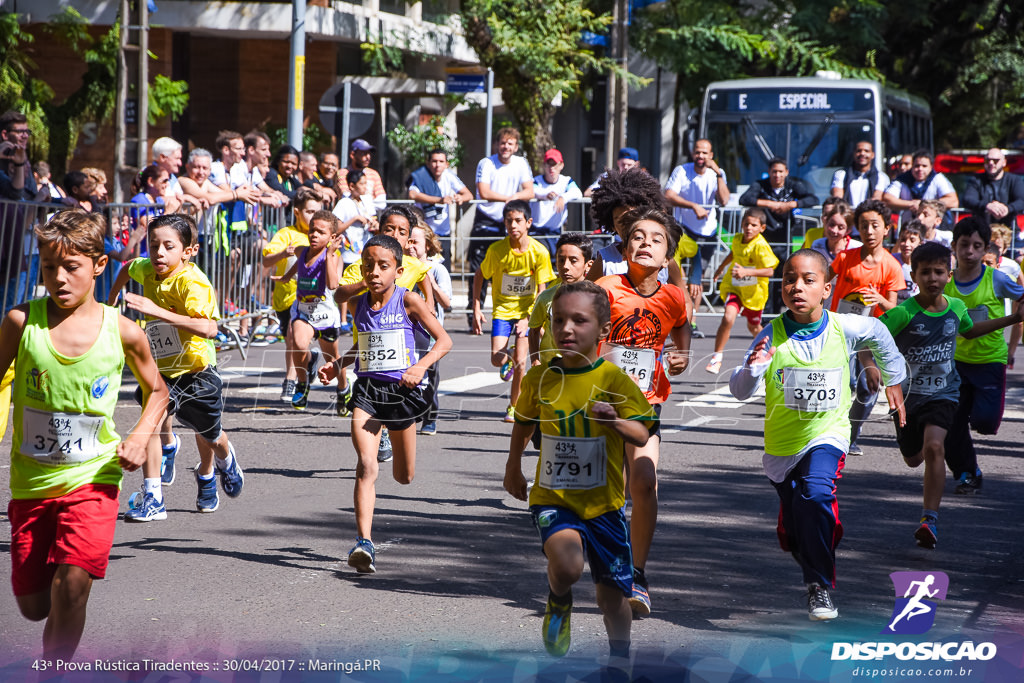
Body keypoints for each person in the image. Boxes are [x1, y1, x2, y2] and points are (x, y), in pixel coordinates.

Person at [0, 209, 169, 659]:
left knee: (72, 586)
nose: (59, 278)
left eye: (71, 266)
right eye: (49, 266)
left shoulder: (124, 332)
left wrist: (140, 434)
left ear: (98, 265)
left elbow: (158, 390)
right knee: (35, 606)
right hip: (32, 483)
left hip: (94, 479)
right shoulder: (20, 323)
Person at [729, 249, 906, 621]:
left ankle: (819, 587)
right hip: (781, 448)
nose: (797, 287)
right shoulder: (770, 334)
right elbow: (740, 390)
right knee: (798, 530)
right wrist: (755, 368)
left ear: (827, 288)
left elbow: (878, 331)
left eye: (808, 280)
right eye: (790, 280)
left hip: (829, 434)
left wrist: (894, 381)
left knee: (817, 491)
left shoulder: (845, 326)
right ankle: (808, 534)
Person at [504, 280, 657, 661]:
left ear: (603, 330)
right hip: (553, 497)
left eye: (579, 320)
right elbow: (523, 423)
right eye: (558, 320)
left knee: (611, 597)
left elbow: (642, 432)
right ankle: (559, 598)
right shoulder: (541, 377)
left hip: (604, 505)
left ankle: (620, 659)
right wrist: (512, 468)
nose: (566, 329)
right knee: (569, 565)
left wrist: (615, 423)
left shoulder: (614, 380)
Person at [318, 234, 452, 574]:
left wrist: (420, 365)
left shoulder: (410, 301)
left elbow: (444, 340)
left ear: (398, 270)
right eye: (368, 266)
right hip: (367, 393)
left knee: (404, 476)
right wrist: (338, 366)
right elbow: (362, 344)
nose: (374, 272)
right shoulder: (360, 301)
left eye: (383, 266)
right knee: (366, 466)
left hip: (402, 395)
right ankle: (364, 543)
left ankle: (395, 447)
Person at [880, 241, 1023, 549]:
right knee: (912, 458)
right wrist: (878, 374)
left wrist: (1013, 319)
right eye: (925, 272)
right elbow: (871, 340)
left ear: (949, 274)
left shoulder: (957, 308)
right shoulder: (903, 313)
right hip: (908, 399)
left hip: (944, 393)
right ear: (914, 276)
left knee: (935, 447)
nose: (932, 278)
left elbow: (970, 330)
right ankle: (916, 451)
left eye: (939, 272)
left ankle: (928, 520)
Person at [108, 213, 244, 520]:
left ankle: (220, 464)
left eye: (168, 246)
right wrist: (111, 300)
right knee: (151, 426)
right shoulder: (147, 268)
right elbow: (128, 267)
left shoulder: (193, 283)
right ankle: (153, 497)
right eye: (153, 245)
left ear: (188, 251)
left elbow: (209, 329)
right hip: (160, 370)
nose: (158, 253)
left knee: (209, 434)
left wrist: (156, 310)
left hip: (196, 372)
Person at [597, 207, 691, 617]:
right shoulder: (605, 287)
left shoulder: (673, 295)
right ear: (625, 245)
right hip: (600, 406)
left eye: (656, 238)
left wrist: (681, 354)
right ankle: (606, 563)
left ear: (668, 253)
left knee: (645, 482)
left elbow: (682, 323)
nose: (645, 243)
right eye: (637, 236)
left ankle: (637, 573)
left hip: (645, 405)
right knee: (608, 495)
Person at [333, 206, 435, 459]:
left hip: (401, 343)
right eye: (389, 228)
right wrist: (364, 282)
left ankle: (403, 421)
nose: (395, 234)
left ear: (409, 238)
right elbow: (340, 293)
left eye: (402, 231)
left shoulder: (411, 265)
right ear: (379, 230)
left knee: (404, 473)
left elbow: (424, 281)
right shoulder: (364, 265)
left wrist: (428, 308)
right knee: (366, 464)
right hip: (368, 342)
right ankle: (380, 435)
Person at [943, 217, 1024, 494]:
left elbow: (1021, 294)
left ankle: (972, 418)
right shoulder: (947, 282)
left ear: (985, 248)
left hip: (989, 360)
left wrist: (1019, 312)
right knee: (952, 423)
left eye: (977, 246)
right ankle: (968, 473)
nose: (969, 252)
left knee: (985, 423)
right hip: (955, 362)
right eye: (964, 245)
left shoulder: (997, 278)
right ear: (954, 246)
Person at [827, 199, 906, 454]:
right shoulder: (844, 258)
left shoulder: (892, 266)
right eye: (864, 225)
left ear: (887, 229)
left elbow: (894, 310)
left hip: (871, 335)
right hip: (840, 329)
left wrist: (880, 299)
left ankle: (850, 436)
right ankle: (829, 433)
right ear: (857, 229)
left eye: (875, 225)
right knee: (842, 381)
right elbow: (821, 283)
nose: (869, 231)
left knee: (868, 389)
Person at [471, 199, 555, 421]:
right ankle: (505, 356)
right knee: (496, 360)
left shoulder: (539, 252)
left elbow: (542, 289)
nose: (513, 225)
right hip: (502, 311)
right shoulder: (497, 250)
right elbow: (480, 276)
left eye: (518, 220)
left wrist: (529, 318)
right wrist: (476, 307)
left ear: (529, 222)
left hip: (528, 311)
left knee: (521, 361)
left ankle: (513, 406)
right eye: (509, 221)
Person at [276, 210, 345, 411]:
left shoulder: (332, 257)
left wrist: (331, 254)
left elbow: (333, 284)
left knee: (332, 358)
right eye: (312, 230)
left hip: (325, 315)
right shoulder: (302, 250)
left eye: (321, 232)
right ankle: (303, 383)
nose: (314, 235)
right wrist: (286, 277)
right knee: (297, 342)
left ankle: (343, 388)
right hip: (303, 311)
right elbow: (299, 264)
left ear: (332, 237)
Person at [262, 186, 323, 401]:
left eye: (318, 212)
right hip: (285, 299)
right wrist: (282, 253)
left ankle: (290, 380)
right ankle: (309, 362)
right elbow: (266, 261)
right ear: (297, 212)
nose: (314, 217)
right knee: (294, 343)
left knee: (292, 334)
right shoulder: (286, 235)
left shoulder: (322, 236)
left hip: (313, 299)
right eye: (309, 212)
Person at [470, 128, 535, 318]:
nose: (505, 147)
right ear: (497, 145)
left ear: (515, 147)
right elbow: (484, 192)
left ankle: (515, 314)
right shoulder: (487, 163)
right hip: (487, 219)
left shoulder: (521, 163)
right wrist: (509, 199)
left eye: (510, 143)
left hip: (510, 223)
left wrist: (515, 198)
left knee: (512, 268)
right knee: (480, 269)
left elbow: (529, 191)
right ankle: (475, 314)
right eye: (502, 143)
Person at [739, 157, 818, 312]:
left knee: (783, 277)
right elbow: (744, 199)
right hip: (763, 241)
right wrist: (769, 204)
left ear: (786, 172)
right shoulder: (760, 185)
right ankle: (764, 316)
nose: (777, 175)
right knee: (766, 280)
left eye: (781, 172)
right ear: (769, 172)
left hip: (784, 238)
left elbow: (812, 198)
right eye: (774, 172)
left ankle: (779, 313)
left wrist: (791, 204)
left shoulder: (792, 185)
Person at [706, 208, 779, 373]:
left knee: (754, 327)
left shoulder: (761, 246)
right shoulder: (738, 239)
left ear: (762, 228)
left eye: (754, 225)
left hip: (754, 293)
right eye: (746, 224)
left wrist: (747, 272)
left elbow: (770, 271)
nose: (749, 228)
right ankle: (717, 357)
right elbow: (734, 253)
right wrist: (720, 268)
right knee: (728, 317)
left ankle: (768, 352)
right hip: (735, 287)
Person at [664, 139, 730, 307]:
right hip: (684, 230)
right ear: (693, 153)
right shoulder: (682, 170)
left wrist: (718, 173)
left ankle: (692, 321)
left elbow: (724, 200)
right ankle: (680, 316)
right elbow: (669, 195)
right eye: (697, 152)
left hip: (708, 233)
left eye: (704, 153)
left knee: (696, 278)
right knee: (678, 276)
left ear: (711, 155)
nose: (700, 156)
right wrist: (693, 206)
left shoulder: (717, 173)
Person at [405, 220, 452, 436]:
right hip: (408, 334)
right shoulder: (403, 268)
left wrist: (430, 282)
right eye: (408, 241)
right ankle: (408, 414)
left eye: (416, 242)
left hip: (431, 335)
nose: (410, 246)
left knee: (431, 376)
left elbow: (447, 302)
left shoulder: (438, 269)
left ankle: (430, 418)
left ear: (428, 246)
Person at [528, 232, 595, 367]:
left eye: (573, 261)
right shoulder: (546, 297)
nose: (565, 266)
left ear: (588, 264)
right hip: (551, 366)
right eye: (561, 260)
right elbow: (534, 330)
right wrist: (535, 359)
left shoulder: (597, 297)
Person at [407, 148, 471, 273]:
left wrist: (460, 197)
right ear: (428, 163)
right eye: (434, 161)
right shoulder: (420, 176)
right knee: (421, 270)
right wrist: (438, 200)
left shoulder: (449, 176)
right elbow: (412, 194)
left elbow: (468, 195)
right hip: (424, 232)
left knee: (443, 270)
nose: (437, 165)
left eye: (441, 161)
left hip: (443, 233)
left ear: (446, 164)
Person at [883, 150, 958, 226]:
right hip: (908, 228)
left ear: (931, 167)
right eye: (917, 166)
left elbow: (953, 201)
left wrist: (925, 204)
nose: (920, 169)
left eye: (924, 166)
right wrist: (910, 204)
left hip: (934, 230)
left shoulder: (938, 178)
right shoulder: (902, 180)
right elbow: (887, 199)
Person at [531, 148, 583, 256]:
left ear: (561, 165)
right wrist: (545, 195)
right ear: (544, 166)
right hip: (536, 231)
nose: (552, 168)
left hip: (556, 232)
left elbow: (577, 192)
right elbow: (534, 191)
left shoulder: (566, 181)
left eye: (555, 164)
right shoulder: (536, 180)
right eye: (549, 164)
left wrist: (563, 198)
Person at [962, 147, 1024, 229]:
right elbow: (968, 199)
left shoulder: (1014, 180)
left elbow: (1021, 201)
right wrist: (987, 206)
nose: (991, 163)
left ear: (1004, 162)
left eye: (995, 160)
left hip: (1009, 232)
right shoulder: (976, 180)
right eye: (988, 160)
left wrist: (1007, 209)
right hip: (981, 232)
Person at [830, 141, 887, 207]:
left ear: (872, 155)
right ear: (853, 153)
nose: (862, 153)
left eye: (866, 151)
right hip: (846, 215)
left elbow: (877, 198)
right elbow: (837, 198)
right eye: (859, 151)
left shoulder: (881, 177)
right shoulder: (841, 174)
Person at [346, 139, 386, 211]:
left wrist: (362, 206)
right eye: (363, 153)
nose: (368, 157)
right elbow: (345, 197)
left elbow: (382, 203)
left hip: (370, 219)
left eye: (369, 153)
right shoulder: (343, 173)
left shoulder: (374, 174)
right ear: (352, 155)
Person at [892, 221, 924, 304]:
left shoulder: (924, 265)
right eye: (903, 240)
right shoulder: (892, 260)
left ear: (921, 243)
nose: (906, 244)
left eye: (912, 240)